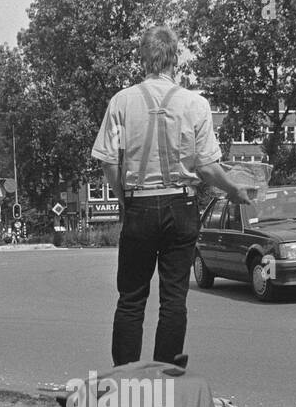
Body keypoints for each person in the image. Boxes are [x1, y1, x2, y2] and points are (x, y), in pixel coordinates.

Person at [91, 24, 253, 367]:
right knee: (174, 297)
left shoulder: (122, 101)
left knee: (131, 299)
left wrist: (124, 197)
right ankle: (165, 379)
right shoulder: (195, 104)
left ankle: (126, 383)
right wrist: (234, 189)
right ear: (174, 59)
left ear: (143, 58)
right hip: (182, 205)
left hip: (140, 205)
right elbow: (208, 167)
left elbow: (107, 160)